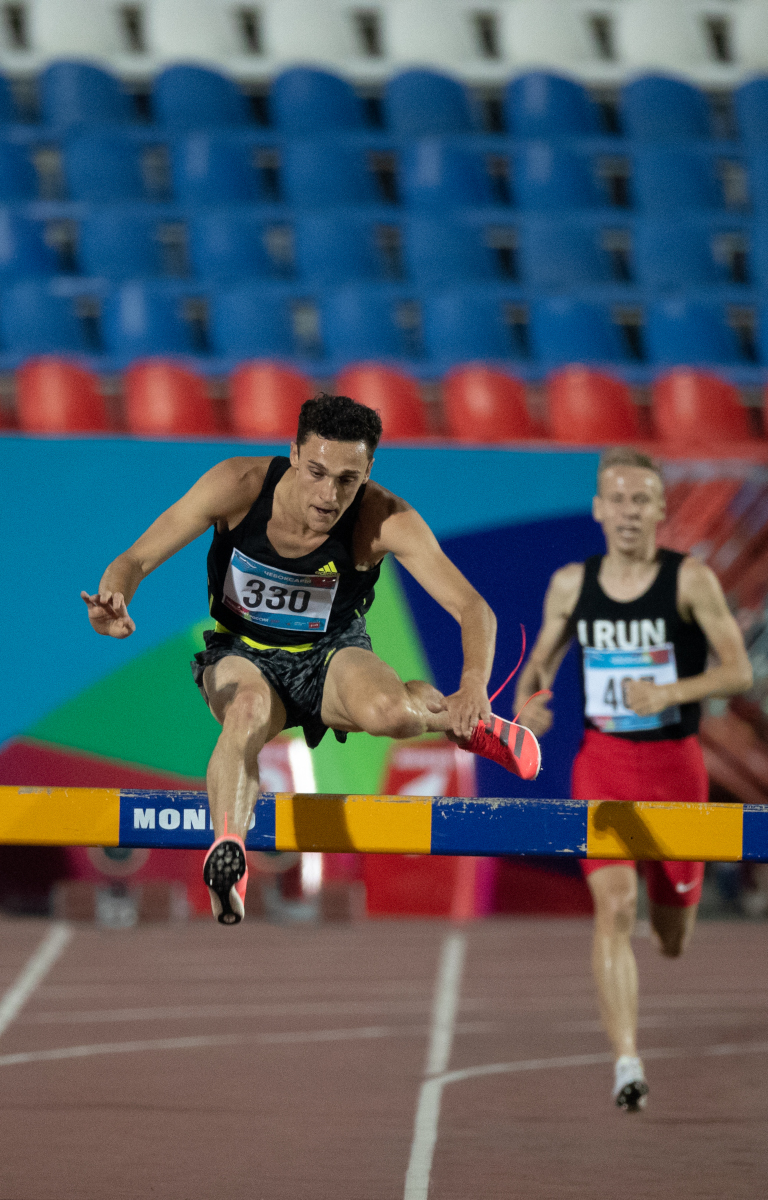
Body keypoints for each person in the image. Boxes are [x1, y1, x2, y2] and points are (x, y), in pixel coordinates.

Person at [82, 394, 540, 925]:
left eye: (347, 480)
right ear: (295, 453)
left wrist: (474, 684)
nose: (329, 495)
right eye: (318, 472)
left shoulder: (384, 518)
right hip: (242, 652)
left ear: (369, 471)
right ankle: (229, 852)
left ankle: (464, 722)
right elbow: (134, 559)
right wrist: (114, 598)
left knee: (390, 713)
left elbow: (472, 607)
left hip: (331, 655)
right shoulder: (238, 485)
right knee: (246, 711)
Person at [513, 447, 752, 1112]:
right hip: (604, 765)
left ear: (658, 509)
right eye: (616, 499)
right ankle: (626, 1062)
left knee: (672, 939)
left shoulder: (690, 580)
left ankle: (670, 910)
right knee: (615, 907)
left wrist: (669, 691)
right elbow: (541, 664)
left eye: (640, 500)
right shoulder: (572, 584)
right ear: (598, 508)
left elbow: (738, 671)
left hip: (676, 769)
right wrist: (531, 701)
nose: (627, 511)